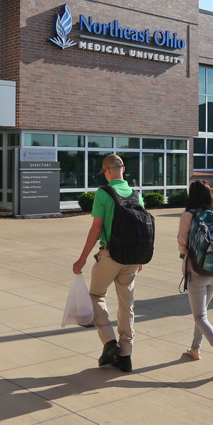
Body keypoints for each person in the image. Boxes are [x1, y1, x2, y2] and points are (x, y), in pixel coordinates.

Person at [72, 154, 144, 373]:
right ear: (123, 169)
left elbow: (96, 229)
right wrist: (140, 258)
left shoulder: (103, 194)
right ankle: (126, 355)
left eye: (103, 171)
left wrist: (82, 258)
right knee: (126, 303)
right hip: (132, 258)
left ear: (108, 171)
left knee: (95, 296)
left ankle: (109, 342)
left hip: (110, 255)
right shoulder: (136, 195)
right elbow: (142, 229)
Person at [177, 180, 213, 376]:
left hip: (197, 272)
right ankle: (194, 349)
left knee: (200, 316)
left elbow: (182, 246)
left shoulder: (187, 216)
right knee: (202, 315)